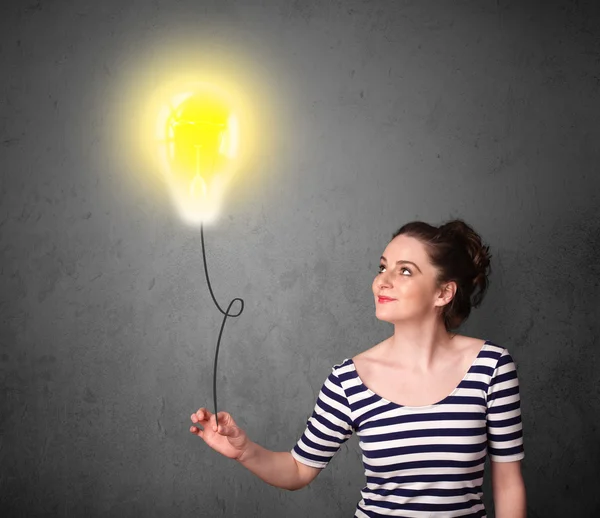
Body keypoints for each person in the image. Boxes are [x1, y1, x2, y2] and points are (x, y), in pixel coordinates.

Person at [190, 219, 526, 517]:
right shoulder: (348, 379)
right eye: (382, 267)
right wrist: (244, 451)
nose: (382, 281)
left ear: (443, 292)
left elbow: (508, 485)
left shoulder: (491, 367)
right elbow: (297, 470)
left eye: (404, 270)